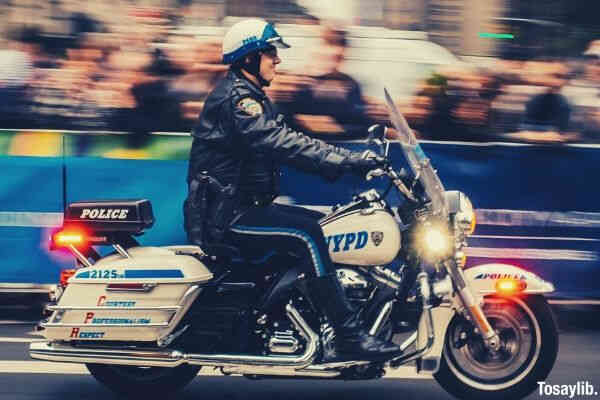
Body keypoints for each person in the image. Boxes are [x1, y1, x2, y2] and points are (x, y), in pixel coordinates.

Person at [184, 18, 400, 361]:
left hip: (241, 205)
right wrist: (347, 161)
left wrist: (345, 162)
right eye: (270, 53)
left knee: (322, 224)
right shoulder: (239, 102)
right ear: (249, 58)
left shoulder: (251, 96)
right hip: (228, 215)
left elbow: (293, 143)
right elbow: (281, 143)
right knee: (309, 234)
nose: (277, 60)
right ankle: (348, 335)